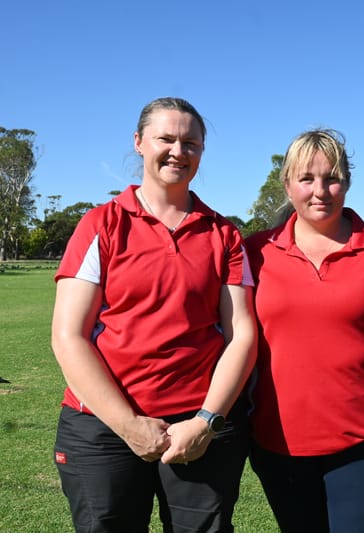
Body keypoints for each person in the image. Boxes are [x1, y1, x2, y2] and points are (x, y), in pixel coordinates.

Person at [51, 97, 257, 532]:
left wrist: (205, 421)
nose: (178, 152)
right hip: (103, 429)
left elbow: (242, 335)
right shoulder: (101, 224)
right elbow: (69, 336)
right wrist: (128, 425)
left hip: (198, 429)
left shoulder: (223, 234)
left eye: (191, 143)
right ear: (139, 143)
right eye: (166, 139)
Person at [245, 129, 364, 532]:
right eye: (306, 179)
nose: (320, 191)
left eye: (331, 178)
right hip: (280, 445)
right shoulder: (255, 252)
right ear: (287, 184)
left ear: (346, 181)